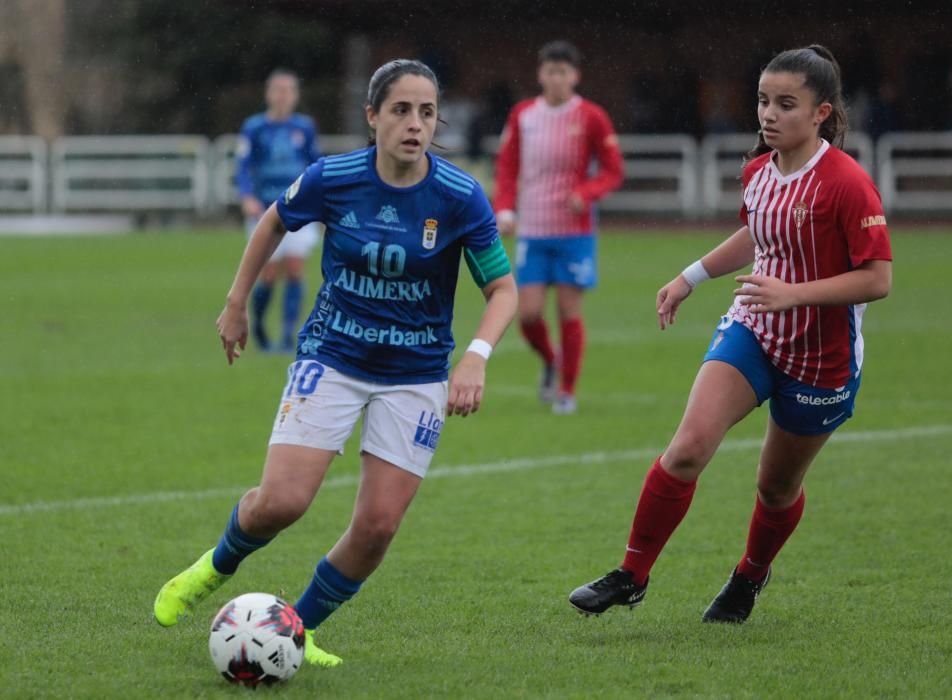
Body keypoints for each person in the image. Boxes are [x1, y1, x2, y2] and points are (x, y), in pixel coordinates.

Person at [154, 59, 518, 666]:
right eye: (401, 110)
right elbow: (274, 221)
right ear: (372, 116)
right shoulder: (334, 177)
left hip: (417, 374)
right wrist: (236, 301)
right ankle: (211, 568)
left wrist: (476, 357)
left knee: (377, 527)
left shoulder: (458, 196)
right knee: (282, 503)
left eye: (426, 112)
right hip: (334, 354)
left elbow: (502, 289)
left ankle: (294, 632)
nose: (415, 124)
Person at [569, 45, 892, 623]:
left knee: (775, 489)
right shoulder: (756, 172)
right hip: (754, 330)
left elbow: (878, 278)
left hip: (822, 357)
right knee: (688, 448)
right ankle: (631, 573)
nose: (769, 114)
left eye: (786, 104)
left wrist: (794, 293)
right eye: (764, 101)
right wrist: (689, 277)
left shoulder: (846, 183)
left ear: (821, 113)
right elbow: (755, 236)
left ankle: (749, 575)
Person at [493, 40, 624, 414]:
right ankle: (551, 361)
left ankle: (566, 390)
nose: (556, 78)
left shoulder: (591, 117)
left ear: (575, 76)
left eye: (563, 72)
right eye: (550, 71)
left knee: (569, 311)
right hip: (533, 229)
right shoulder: (522, 115)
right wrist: (504, 208)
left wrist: (588, 191)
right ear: (540, 74)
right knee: (528, 314)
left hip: (574, 231)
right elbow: (507, 168)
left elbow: (614, 170)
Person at [236, 69, 321, 351]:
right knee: (269, 273)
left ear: (295, 95)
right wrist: (247, 196)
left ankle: (287, 335)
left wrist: (320, 202)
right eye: (278, 89)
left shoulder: (304, 127)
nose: (283, 95)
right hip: (266, 210)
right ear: (268, 94)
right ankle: (259, 326)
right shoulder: (255, 128)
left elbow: (314, 166)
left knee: (296, 269)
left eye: (289, 90)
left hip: (298, 207)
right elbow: (244, 166)